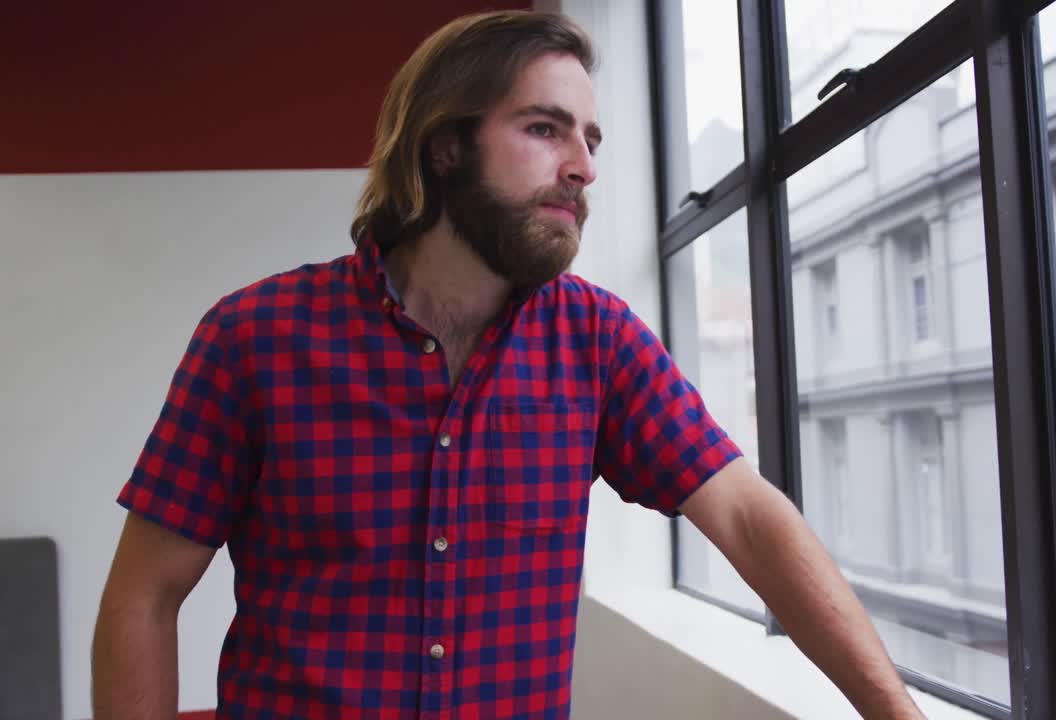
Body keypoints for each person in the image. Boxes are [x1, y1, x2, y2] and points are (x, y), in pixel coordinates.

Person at [92, 10, 924, 720]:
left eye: (590, 140)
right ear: (446, 145)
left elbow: (746, 515)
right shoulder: (254, 339)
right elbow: (144, 596)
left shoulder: (597, 341)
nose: (584, 167)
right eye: (544, 128)